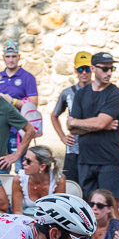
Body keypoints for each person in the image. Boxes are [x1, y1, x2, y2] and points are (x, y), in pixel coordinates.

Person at [68, 52, 119, 202]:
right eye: (104, 69)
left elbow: (99, 122)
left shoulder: (115, 93)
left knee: (110, 206)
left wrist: (79, 122)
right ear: (93, 68)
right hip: (86, 158)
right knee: (88, 206)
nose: (109, 73)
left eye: (111, 69)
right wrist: (101, 126)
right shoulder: (81, 94)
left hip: (109, 159)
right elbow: (71, 128)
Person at [10, 145, 66, 239]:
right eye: (24, 160)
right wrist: (32, 225)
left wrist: (42, 226)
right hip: (25, 219)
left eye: (28, 161)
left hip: (51, 219)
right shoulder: (19, 179)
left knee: (56, 234)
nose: (23, 164)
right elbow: (17, 212)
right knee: (19, 234)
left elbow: (58, 213)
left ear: (42, 166)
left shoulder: (58, 181)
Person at [51, 51, 93, 186]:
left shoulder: (99, 90)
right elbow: (54, 115)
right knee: (71, 186)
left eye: (87, 69)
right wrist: (62, 137)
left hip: (93, 148)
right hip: (73, 148)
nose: (84, 73)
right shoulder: (68, 93)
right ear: (75, 70)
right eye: (80, 69)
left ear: (92, 69)